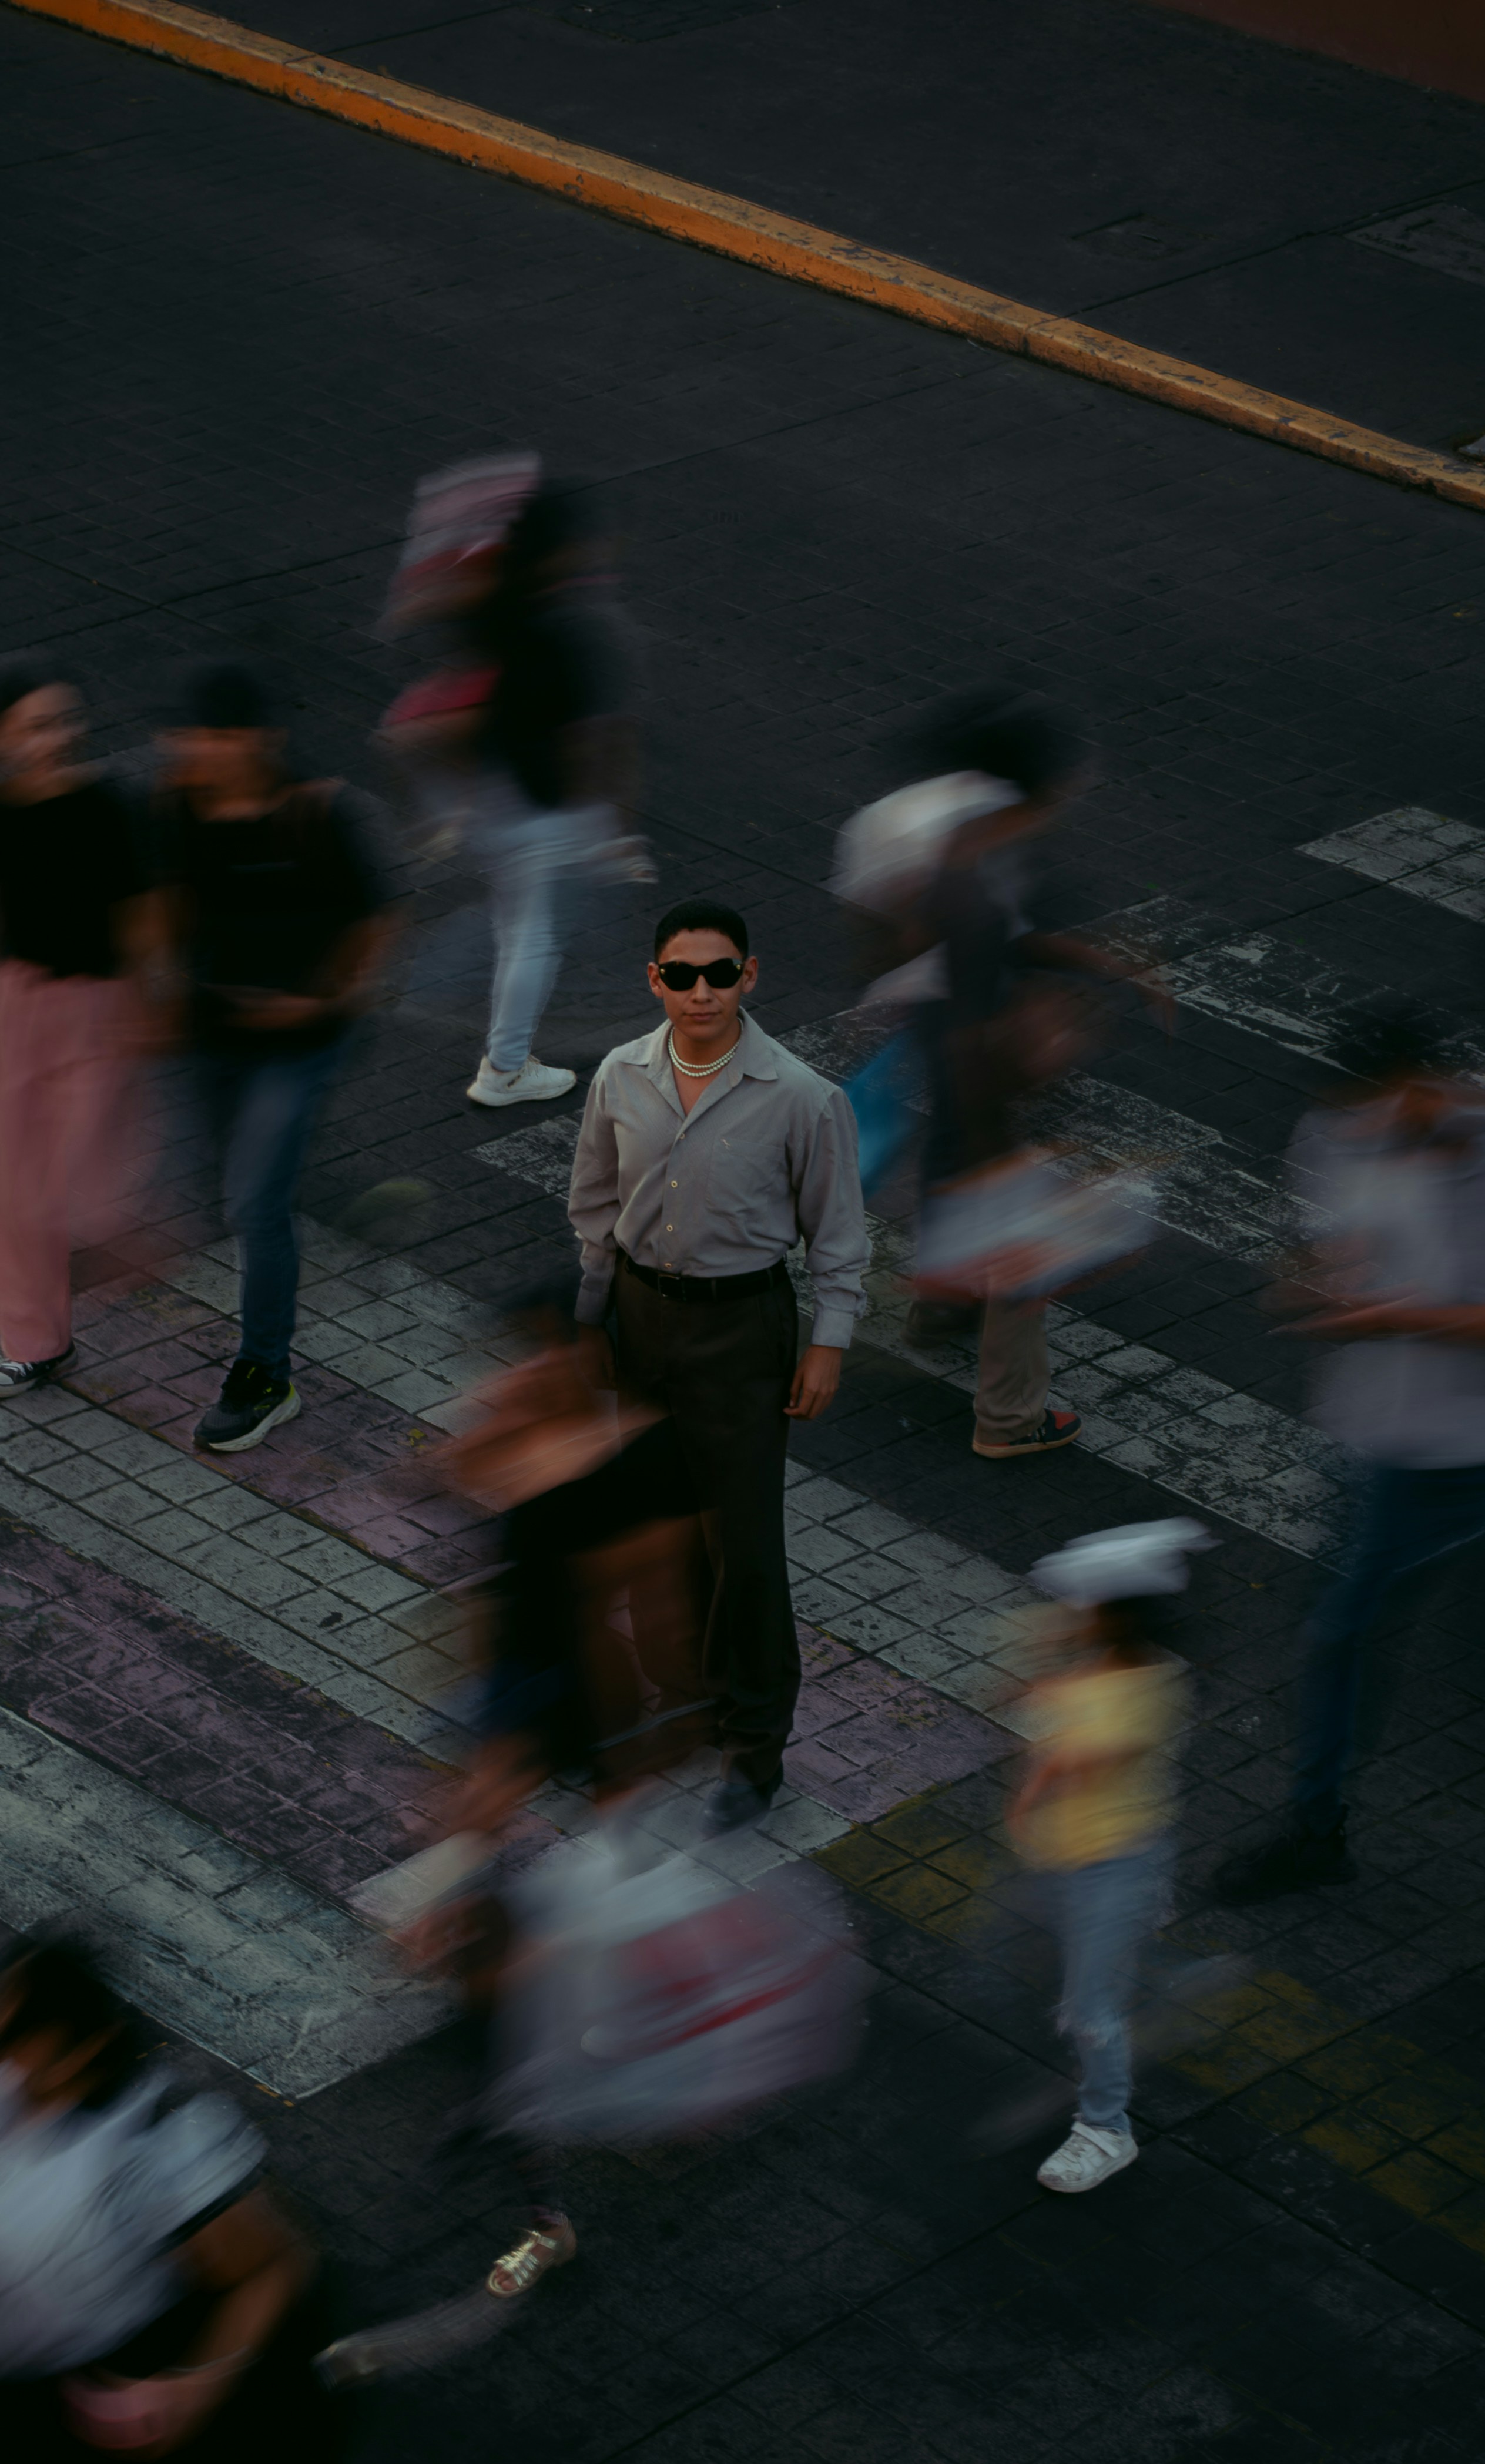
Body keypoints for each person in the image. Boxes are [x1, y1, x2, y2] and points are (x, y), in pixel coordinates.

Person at [568, 898, 870, 1831]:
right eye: (680, 974)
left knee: (742, 1548)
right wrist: (591, 1319)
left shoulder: (801, 1094)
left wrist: (827, 1343)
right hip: (639, 1317)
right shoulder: (620, 1073)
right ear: (653, 980)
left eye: (719, 972)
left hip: (742, 1332)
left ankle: (753, 1743)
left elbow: (839, 1234)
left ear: (750, 975)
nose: (701, 992)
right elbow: (590, 1201)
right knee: (658, 1529)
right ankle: (684, 1698)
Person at [832, 690, 1161, 1461]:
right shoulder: (975, 871)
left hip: (954, 1049)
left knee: (970, 1201)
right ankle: (1007, 1417)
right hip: (977, 1067)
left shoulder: (937, 839)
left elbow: (890, 940)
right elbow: (971, 998)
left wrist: (1093, 960)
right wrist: (998, 1146)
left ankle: (941, 1315)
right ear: (1026, 790)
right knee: (1017, 1233)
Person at [1218, 1003, 1485, 1902]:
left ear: (1424, 1077)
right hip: (1374, 1443)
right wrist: (1314, 1280)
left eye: (1384, 1101)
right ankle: (1315, 1825)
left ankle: (1315, 1823)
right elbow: (1315, 1249)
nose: (1367, 1123)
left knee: (1347, 1632)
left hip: (1462, 1450)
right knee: (1342, 1633)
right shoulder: (1334, 1133)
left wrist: (1392, 1313)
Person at [153, 662, 399, 1453]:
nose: (204, 751)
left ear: (260, 740)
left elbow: (377, 918)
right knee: (229, 1189)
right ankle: (311, 1201)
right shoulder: (178, 811)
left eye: (221, 737)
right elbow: (161, 910)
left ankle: (264, 1375)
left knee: (254, 1202)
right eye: (194, 736)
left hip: (298, 1044)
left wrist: (325, 999)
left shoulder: (314, 814)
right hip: (211, 1035)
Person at [0, 1933, 338, 2460]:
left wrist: (196, 2386)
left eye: (15, 2032)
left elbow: (272, 2269)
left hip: (85, 2402)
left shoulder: (160, 2142)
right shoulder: (13, 2090)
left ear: (77, 2045)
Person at [379, 454, 643, 1110]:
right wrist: (612, 823)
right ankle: (501, 1064)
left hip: (491, 794)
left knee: (520, 921)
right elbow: (596, 739)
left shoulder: (500, 603)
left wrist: (439, 809)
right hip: (542, 801)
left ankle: (485, 1029)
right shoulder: (570, 631)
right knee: (536, 935)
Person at [1010, 1520, 1201, 2193]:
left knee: (1090, 2010)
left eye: (1079, 1609)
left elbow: (1080, 1760)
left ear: (1112, 1618)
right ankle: (1137, 1969)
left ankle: (1106, 2128)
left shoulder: (1143, 1695)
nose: (1067, 1619)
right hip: (1071, 1857)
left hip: (1115, 1863)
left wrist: (1031, 1788)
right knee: (1084, 1980)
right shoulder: (1108, 1666)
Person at [0, 661, 162, 1395]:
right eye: (37, 725)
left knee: (69, 1185)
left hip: (93, 1008)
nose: (58, 737)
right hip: (16, 1002)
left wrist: (142, 1000)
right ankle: (35, 1339)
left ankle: (117, 1246)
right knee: (15, 1185)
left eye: (66, 721)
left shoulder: (106, 808)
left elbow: (143, 914)